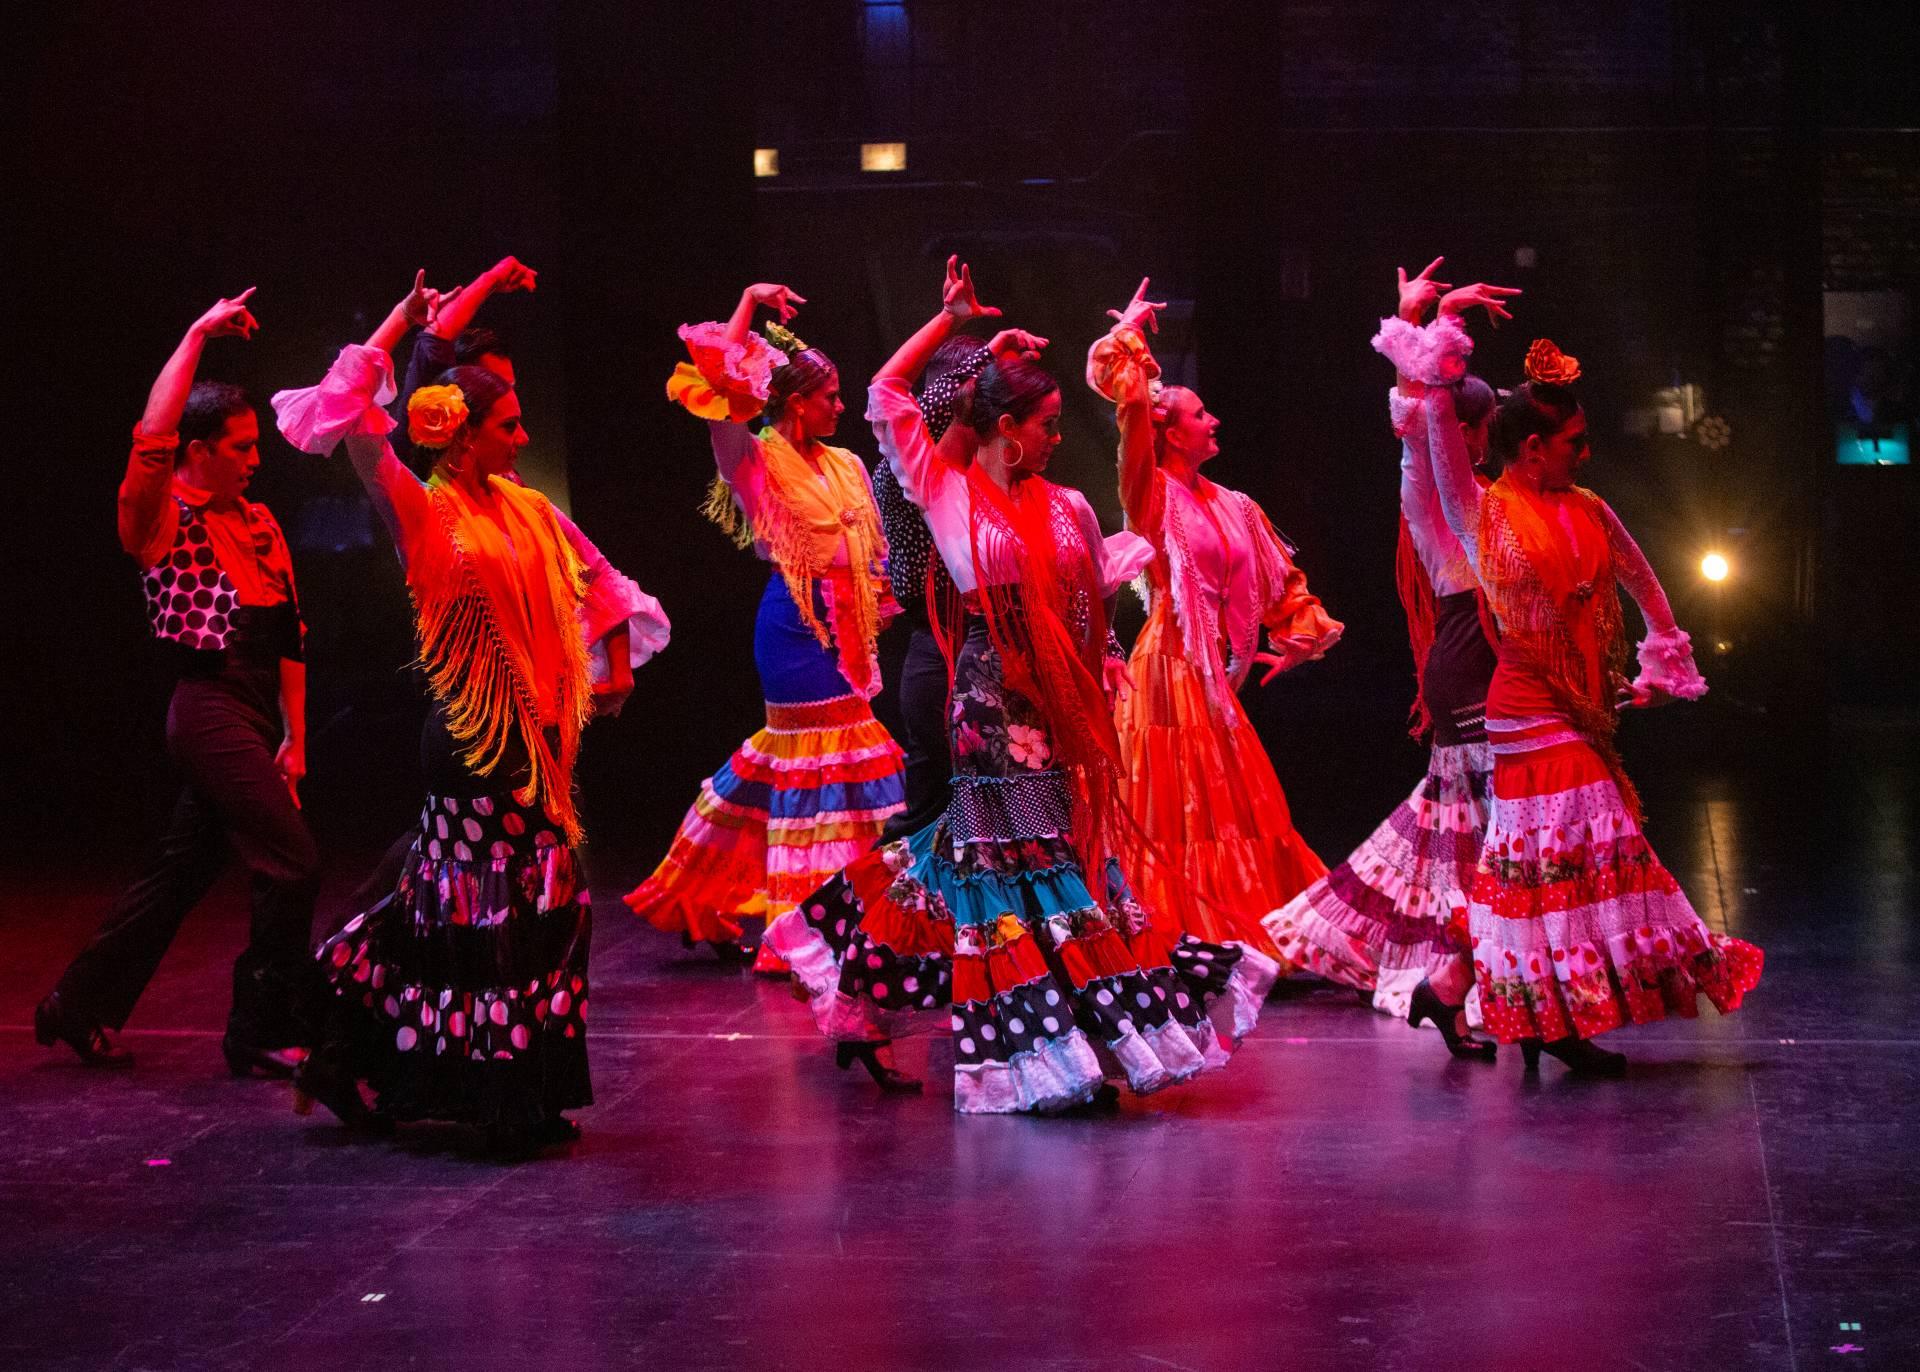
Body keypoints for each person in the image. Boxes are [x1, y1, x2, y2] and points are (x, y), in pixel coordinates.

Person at [766, 260, 1277, 1112]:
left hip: (1053, 709)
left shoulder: (1069, 504)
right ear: (1004, 426)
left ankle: (883, 987)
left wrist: (1097, 678)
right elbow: (889, 396)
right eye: (1041, 423)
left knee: (1017, 870)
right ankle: (1046, 1056)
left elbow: (1091, 616)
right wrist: (953, 325)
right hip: (984, 706)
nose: (1053, 434)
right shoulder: (946, 494)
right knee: (1012, 878)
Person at [269, 279, 665, 1150]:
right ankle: (478, 1092)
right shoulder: (426, 509)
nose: (523, 439)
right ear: (465, 433)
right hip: (473, 741)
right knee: (478, 924)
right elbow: (356, 420)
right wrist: (402, 323)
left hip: (544, 742)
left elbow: (600, 581)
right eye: (510, 426)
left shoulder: (528, 509)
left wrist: (615, 663)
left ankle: (522, 1086)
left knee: (545, 914)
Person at [1389, 315, 1763, 1075]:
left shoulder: (1587, 506)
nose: (1586, 455)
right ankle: (1548, 1013)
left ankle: (1503, 1005)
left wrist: (1663, 663)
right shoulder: (1485, 512)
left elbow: (1643, 580)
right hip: (1525, 713)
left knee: (1550, 882)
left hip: (1579, 710)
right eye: (1575, 443)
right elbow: (1432, 439)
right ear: (1531, 448)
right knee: (1590, 857)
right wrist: (1430, 358)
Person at [36, 290, 325, 1079]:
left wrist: (296, 738)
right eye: (238, 446)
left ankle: (78, 1004)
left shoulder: (261, 523)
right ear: (198, 451)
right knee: (292, 860)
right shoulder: (161, 521)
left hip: (258, 711)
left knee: (179, 874)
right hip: (206, 707)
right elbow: (151, 433)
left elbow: (292, 635)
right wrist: (197, 332)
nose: (255, 458)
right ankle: (261, 1028)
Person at [1261, 261, 1518, 1058]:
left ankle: (1473, 973)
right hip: (1466, 661)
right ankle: (1455, 976)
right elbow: (1419, 421)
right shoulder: (1442, 490)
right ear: (1471, 431)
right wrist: (1418, 324)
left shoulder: (1491, 496)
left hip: (1494, 664)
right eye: (1488, 427)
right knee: (1475, 833)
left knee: (1469, 830)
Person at [625, 284, 905, 970]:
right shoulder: (753, 457)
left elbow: (874, 548)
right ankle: (812, 925)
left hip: (851, 631)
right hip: (793, 629)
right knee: (815, 765)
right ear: (793, 400)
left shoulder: (845, 463)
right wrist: (747, 304)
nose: (841, 407)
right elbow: (719, 377)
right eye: (830, 396)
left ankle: (868, 912)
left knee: (842, 767)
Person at [1087, 278, 1342, 960]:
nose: (1214, 422)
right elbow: (1131, 418)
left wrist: (1298, 637)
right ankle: (1182, 930)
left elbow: (1281, 582)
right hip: (1168, 676)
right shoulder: (1153, 496)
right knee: (1175, 814)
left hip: (1215, 683)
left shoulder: (1235, 504)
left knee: (1240, 814)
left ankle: (1244, 928)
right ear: (1171, 431)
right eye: (1201, 415)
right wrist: (1133, 348)